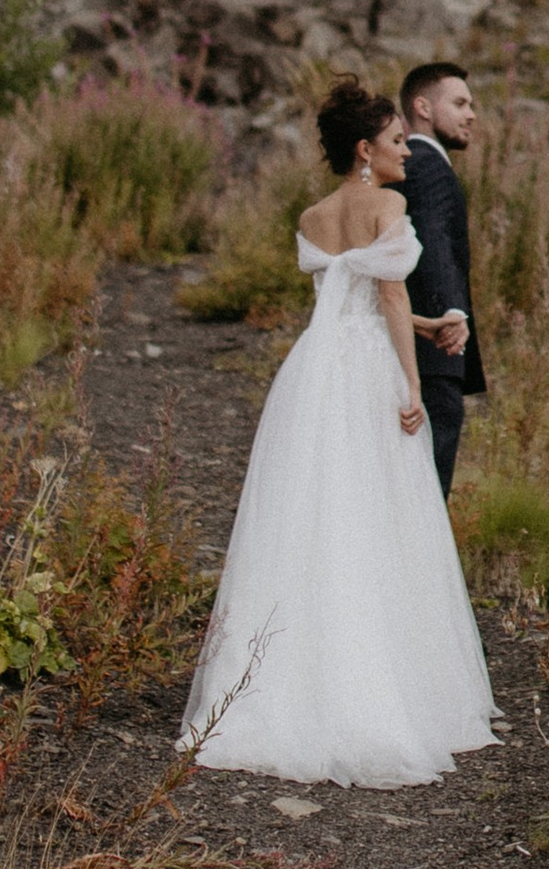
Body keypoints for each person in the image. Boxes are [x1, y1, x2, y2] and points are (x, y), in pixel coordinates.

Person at [177, 78, 497, 788]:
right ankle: (379, 686)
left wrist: (424, 321)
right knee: (378, 514)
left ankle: (277, 685)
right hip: (367, 374)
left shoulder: (314, 215)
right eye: (392, 143)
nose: (404, 156)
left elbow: (343, 302)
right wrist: (413, 388)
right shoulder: (387, 204)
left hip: (314, 372)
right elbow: (385, 295)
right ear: (365, 150)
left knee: (312, 513)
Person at [397, 61, 484, 499]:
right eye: (460, 103)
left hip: (410, 346)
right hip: (433, 352)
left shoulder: (403, 167)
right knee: (426, 490)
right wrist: (451, 311)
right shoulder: (429, 167)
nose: (471, 114)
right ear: (423, 107)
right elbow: (433, 242)